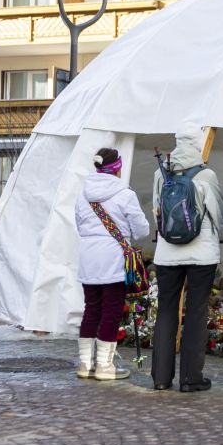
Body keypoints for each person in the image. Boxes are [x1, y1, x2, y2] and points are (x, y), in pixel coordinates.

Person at [151, 123, 223, 392]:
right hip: (202, 253)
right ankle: (191, 378)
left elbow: (157, 211)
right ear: (198, 143)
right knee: (196, 311)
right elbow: (216, 214)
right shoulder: (206, 175)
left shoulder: (162, 173)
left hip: (167, 253)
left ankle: (160, 377)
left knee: (167, 311)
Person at [75, 148, 150, 381]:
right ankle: (104, 367)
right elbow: (141, 231)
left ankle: (85, 364)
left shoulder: (83, 194)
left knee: (91, 310)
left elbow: (79, 225)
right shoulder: (125, 194)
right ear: (117, 168)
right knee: (111, 312)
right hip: (114, 260)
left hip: (88, 259)